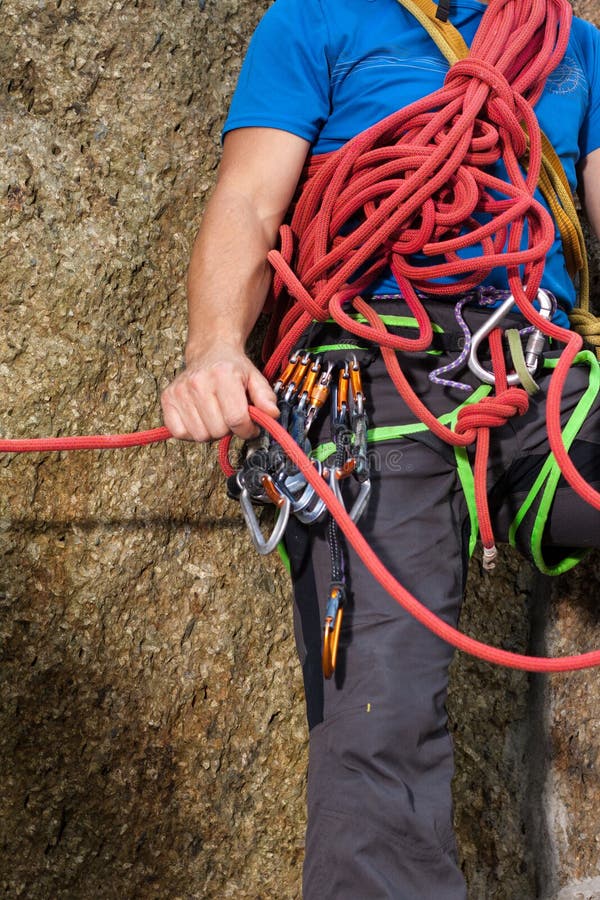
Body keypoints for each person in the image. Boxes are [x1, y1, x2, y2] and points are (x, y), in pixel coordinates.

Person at [161, 0, 600, 896]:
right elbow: (247, 198)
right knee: (376, 725)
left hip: (544, 365)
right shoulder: (316, 20)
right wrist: (215, 345)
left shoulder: (571, 40)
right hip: (374, 372)